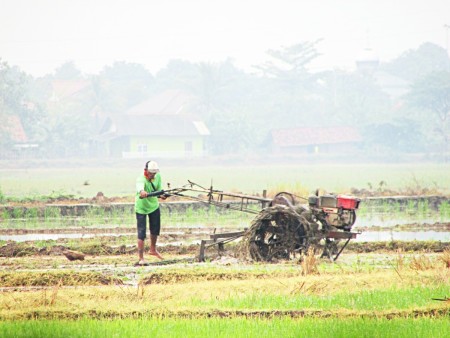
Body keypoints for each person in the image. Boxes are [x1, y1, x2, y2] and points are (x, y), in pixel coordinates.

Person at [135, 160, 166, 265]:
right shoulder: (141, 179)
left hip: (153, 206)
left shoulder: (158, 177)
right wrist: (142, 192)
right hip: (141, 208)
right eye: (151, 173)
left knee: (155, 229)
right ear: (145, 171)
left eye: (154, 173)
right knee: (141, 232)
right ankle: (141, 258)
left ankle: (153, 250)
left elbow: (158, 190)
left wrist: (161, 195)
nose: (153, 175)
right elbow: (140, 188)